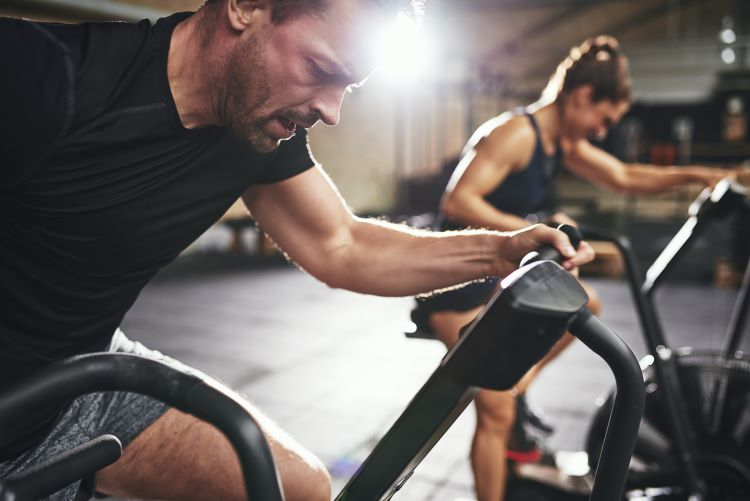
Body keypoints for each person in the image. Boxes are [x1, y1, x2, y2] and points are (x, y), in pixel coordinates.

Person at [0, 1, 595, 500]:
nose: (332, 111)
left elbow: (343, 244)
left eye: (348, 87)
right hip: (14, 402)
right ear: (245, 7)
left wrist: (503, 251)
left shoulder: (253, 130)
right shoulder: (47, 77)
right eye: (321, 68)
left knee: (301, 489)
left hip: (82, 379)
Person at [411, 35, 730, 501]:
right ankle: (505, 408)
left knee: (587, 305)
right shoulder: (517, 134)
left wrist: (700, 175)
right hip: (457, 282)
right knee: (496, 413)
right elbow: (459, 201)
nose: (602, 131)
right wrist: (534, 229)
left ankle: (514, 387)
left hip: (499, 279)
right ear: (582, 97)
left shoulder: (561, 142)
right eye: (604, 119)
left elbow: (624, 177)